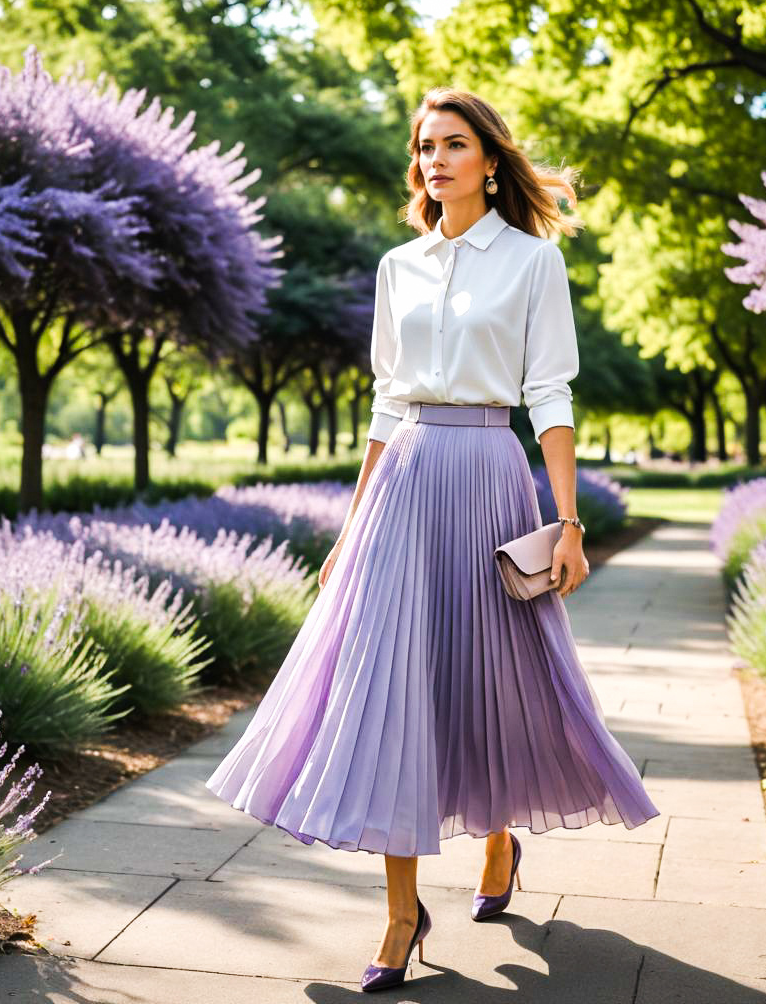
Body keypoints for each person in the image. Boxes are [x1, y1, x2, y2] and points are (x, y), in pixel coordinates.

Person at [204, 86, 660, 992]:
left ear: (490, 160)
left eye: (455, 144)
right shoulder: (396, 266)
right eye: (425, 146)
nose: (436, 159)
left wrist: (566, 522)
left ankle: (499, 843)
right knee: (391, 687)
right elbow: (384, 403)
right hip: (405, 484)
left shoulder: (533, 264)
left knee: (492, 675)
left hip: (491, 474)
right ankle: (403, 914)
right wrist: (351, 524)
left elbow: (552, 398)